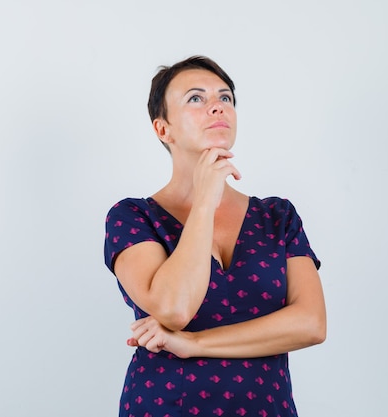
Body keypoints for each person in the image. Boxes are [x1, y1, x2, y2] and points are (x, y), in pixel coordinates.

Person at [104, 55, 326, 417]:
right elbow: (175, 308)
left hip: (266, 407)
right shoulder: (132, 216)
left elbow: (311, 324)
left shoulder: (277, 216)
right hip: (166, 406)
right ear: (163, 129)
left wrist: (194, 343)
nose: (217, 107)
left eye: (225, 98)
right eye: (196, 98)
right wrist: (206, 198)